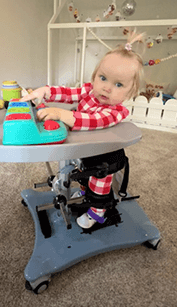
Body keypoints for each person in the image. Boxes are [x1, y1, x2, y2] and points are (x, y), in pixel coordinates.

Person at [20, 30, 145, 229]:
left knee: (98, 185)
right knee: (82, 176)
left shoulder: (117, 111)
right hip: (82, 151)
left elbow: (92, 120)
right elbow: (68, 93)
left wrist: (61, 115)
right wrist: (44, 91)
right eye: (103, 78)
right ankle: (85, 193)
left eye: (118, 84)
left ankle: (98, 212)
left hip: (101, 158)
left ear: (130, 92)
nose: (107, 88)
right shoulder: (90, 91)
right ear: (94, 77)